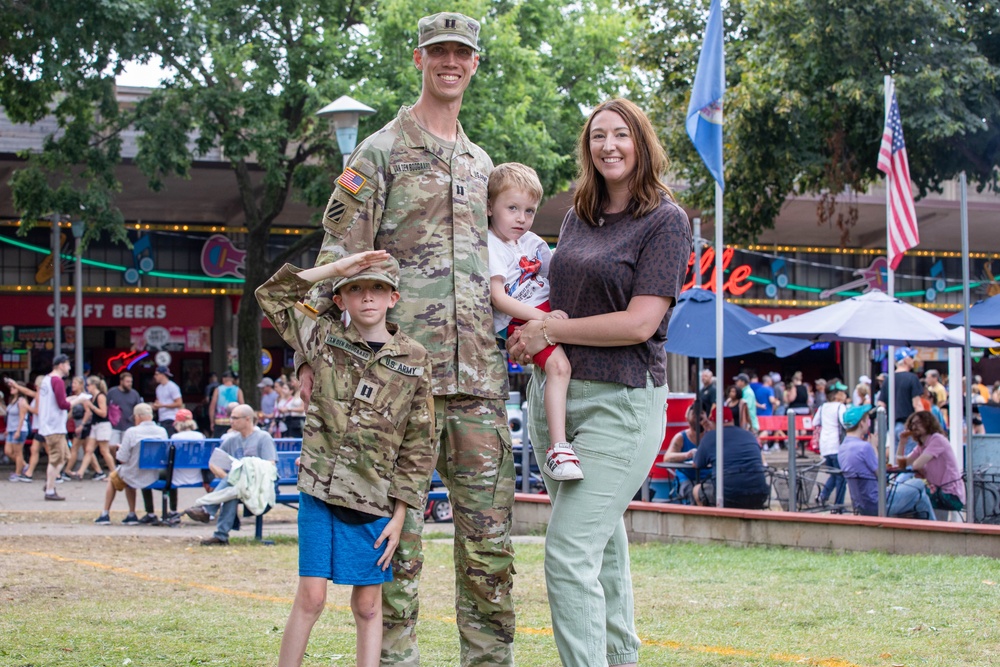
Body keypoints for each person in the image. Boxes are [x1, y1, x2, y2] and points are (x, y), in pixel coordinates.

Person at [298, 12, 515, 665]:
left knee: (490, 553)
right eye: (438, 52)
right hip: (392, 392)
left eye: (462, 53)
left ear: (474, 64)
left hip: (477, 386)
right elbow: (338, 261)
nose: (451, 62)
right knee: (392, 559)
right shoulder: (379, 153)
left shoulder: (482, 166)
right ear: (419, 59)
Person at [508, 98, 691, 666]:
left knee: (567, 554)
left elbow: (640, 323)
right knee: (602, 551)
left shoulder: (666, 220)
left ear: (642, 142)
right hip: (556, 400)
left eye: (620, 135)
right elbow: (551, 299)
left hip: (622, 401)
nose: (608, 145)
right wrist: (528, 329)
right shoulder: (576, 215)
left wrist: (549, 330)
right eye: (596, 137)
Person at [256, 251, 435, 667]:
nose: (366, 297)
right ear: (340, 300)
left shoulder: (415, 358)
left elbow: (420, 441)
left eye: (377, 289)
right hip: (320, 486)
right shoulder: (323, 339)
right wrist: (338, 268)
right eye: (355, 290)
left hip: (374, 497)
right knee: (312, 598)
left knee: (369, 606)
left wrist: (401, 513)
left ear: (394, 297)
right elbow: (272, 295)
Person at [487, 162, 579, 481]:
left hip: (549, 307)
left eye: (529, 210)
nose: (521, 218)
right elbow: (498, 298)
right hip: (522, 318)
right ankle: (558, 447)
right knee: (559, 367)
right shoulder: (492, 247)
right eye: (512, 208)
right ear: (489, 206)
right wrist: (545, 319)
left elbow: (555, 275)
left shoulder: (532, 242)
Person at [184, 404, 277, 545]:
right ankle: (220, 536)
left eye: (235, 418)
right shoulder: (231, 440)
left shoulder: (263, 438)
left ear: (247, 419)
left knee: (233, 483)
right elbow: (213, 462)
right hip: (239, 485)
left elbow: (270, 464)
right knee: (232, 490)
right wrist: (228, 476)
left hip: (260, 484)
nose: (231, 421)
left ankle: (207, 511)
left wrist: (242, 472)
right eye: (230, 417)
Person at [837, 405, 936, 519]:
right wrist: (874, 447)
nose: (869, 422)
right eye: (868, 419)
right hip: (880, 504)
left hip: (861, 505)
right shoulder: (864, 447)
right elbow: (883, 477)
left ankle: (933, 529)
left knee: (921, 499)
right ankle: (937, 532)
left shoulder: (842, 448)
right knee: (918, 484)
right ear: (861, 423)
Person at [94, 402, 167, 525]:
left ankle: (106, 514)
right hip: (154, 474)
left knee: (114, 477)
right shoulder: (162, 431)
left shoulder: (132, 432)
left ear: (137, 417)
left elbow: (122, 458)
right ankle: (132, 513)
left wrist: (120, 449)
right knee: (128, 474)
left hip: (134, 472)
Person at [691, 406, 770, 510]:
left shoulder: (710, 437)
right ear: (732, 420)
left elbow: (696, 464)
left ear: (713, 422)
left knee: (697, 490)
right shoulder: (749, 435)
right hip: (760, 493)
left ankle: (710, 523)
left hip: (728, 495)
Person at [899, 411, 966, 513]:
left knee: (911, 495)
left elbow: (917, 465)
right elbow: (902, 464)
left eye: (919, 423)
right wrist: (902, 443)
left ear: (928, 423)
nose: (914, 426)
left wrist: (919, 469)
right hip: (937, 492)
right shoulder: (921, 446)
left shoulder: (937, 439)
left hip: (951, 495)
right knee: (909, 495)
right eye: (912, 424)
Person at [37, 354, 77, 501]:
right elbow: (62, 404)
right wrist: (76, 401)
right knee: (56, 459)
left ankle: (50, 482)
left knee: (65, 456)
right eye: (67, 364)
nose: (69, 367)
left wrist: (69, 399)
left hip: (49, 423)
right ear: (61, 365)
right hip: (54, 426)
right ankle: (49, 489)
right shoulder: (57, 381)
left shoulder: (46, 380)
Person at [876, 347, 923, 455]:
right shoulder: (912, 378)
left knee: (897, 461)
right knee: (910, 461)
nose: (913, 360)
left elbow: (881, 404)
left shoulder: (888, 379)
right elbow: (917, 404)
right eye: (911, 357)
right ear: (905, 360)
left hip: (892, 426)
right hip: (909, 425)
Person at [653, 404, 700, 503]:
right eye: (694, 414)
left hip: (706, 476)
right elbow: (667, 457)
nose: (698, 416)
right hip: (686, 477)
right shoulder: (681, 437)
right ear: (687, 417)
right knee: (691, 491)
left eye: (701, 413)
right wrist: (687, 454)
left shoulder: (710, 435)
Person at [813, 381, 848, 507]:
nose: (845, 394)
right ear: (836, 395)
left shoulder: (823, 407)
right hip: (837, 445)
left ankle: (823, 496)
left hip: (825, 446)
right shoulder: (840, 407)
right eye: (842, 392)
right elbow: (845, 423)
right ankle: (839, 505)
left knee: (834, 475)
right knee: (841, 477)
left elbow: (815, 422)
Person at [71, 376, 112, 480]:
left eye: (88, 385)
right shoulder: (92, 397)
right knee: (89, 450)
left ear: (94, 385)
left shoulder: (100, 396)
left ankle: (114, 473)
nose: (87, 387)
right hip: (95, 425)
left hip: (103, 425)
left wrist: (91, 406)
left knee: (104, 450)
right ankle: (80, 472)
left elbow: (103, 413)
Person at [107, 371, 144, 458]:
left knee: (126, 448)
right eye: (127, 381)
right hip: (114, 424)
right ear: (121, 381)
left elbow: (138, 408)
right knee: (111, 446)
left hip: (128, 425)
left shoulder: (134, 394)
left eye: (131, 382)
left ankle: (122, 464)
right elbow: (106, 405)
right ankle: (114, 463)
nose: (129, 384)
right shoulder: (112, 392)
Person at [4, 378, 30, 482]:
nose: (11, 389)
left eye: (14, 387)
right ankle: (24, 465)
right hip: (11, 429)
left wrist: (18, 430)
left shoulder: (21, 401)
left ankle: (18, 473)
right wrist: (7, 429)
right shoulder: (12, 400)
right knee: (8, 451)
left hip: (19, 429)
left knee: (18, 452)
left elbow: (22, 417)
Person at [208, 370, 243, 438]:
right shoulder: (238, 390)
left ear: (223, 379)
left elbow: (212, 407)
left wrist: (212, 422)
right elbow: (242, 407)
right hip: (233, 421)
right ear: (232, 379)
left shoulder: (218, 390)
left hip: (219, 422)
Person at [151, 365, 182, 436]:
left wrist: (163, 405)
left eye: (157, 374)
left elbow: (179, 403)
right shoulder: (158, 388)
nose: (155, 376)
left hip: (171, 418)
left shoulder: (172, 386)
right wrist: (154, 406)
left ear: (162, 375)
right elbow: (158, 402)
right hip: (161, 418)